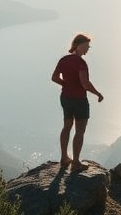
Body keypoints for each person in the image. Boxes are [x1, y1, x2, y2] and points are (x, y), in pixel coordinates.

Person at [51, 33, 103, 172]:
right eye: (86, 46)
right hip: (79, 100)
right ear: (78, 46)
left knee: (67, 126)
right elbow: (85, 84)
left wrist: (66, 84)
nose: (87, 49)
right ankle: (75, 163)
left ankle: (64, 158)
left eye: (88, 46)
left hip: (65, 98)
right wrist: (98, 93)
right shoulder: (81, 63)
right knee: (80, 131)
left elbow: (54, 77)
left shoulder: (64, 60)